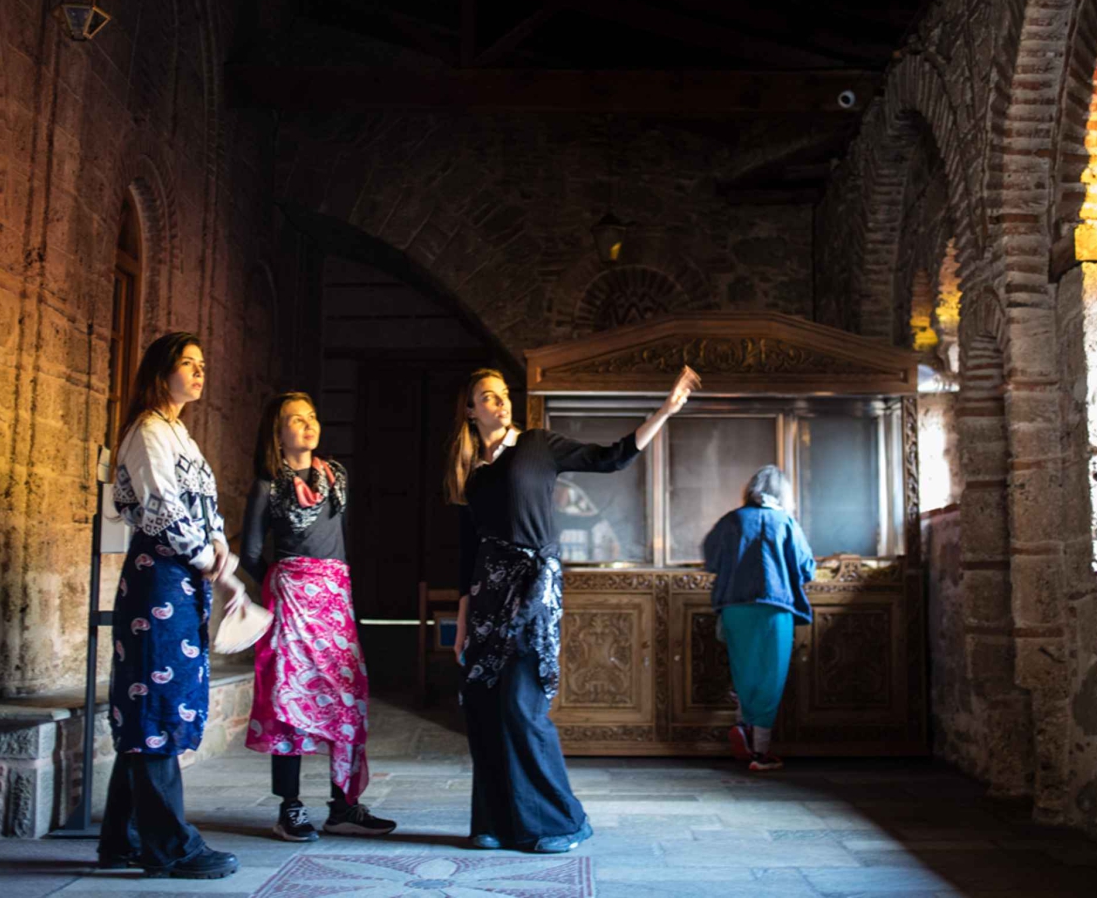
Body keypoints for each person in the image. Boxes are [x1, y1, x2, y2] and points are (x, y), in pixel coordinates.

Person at [447, 365, 701, 853]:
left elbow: (611, 458)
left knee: (521, 706)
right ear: (470, 410)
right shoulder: (472, 474)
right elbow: (466, 555)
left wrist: (666, 410)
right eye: (488, 396)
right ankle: (495, 822)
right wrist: (462, 624)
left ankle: (562, 822)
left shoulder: (537, 445)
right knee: (482, 706)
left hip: (532, 591)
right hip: (486, 599)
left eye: (503, 394)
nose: (500, 402)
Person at [98, 332, 243, 880]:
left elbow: (203, 504)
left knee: (155, 698)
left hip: (182, 577)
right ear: (162, 372)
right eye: (188, 363)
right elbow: (162, 508)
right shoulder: (148, 431)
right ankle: (170, 847)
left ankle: (123, 839)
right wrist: (207, 557)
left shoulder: (179, 432)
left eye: (202, 364)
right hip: (158, 579)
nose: (199, 372)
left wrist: (219, 547)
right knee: (154, 702)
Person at [239, 391, 396, 841]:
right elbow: (250, 553)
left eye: (311, 417)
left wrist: (330, 584)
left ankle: (343, 805)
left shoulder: (335, 476)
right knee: (288, 700)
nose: (309, 425)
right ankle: (289, 807)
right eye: (296, 419)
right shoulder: (268, 485)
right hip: (292, 600)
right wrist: (284, 583)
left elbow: (338, 538)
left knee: (346, 697)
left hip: (333, 598)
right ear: (277, 433)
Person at [702, 464, 816, 773]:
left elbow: (711, 559)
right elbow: (806, 567)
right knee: (770, 676)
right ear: (783, 493)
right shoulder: (786, 522)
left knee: (743, 669)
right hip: (774, 607)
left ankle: (743, 727)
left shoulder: (732, 519)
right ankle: (760, 752)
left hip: (734, 606)